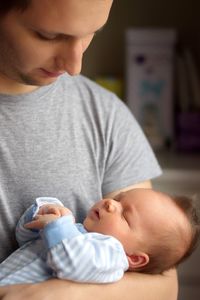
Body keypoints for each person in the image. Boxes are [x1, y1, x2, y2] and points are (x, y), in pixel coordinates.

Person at [0, 0, 179, 299]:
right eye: (49, 36)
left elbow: (163, 286)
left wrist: (56, 294)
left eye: (90, 33)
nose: (74, 65)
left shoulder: (104, 117)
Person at [0, 189, 199, 286]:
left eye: (125, 216)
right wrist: (40, 214)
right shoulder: (76, 231)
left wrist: (57, 225)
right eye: (119, 199)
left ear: (134, 258)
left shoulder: (110, 257)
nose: (111, 204)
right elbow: (24, 239)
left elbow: (71, 262)